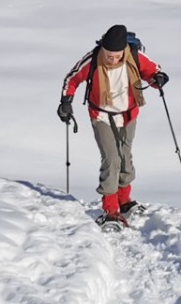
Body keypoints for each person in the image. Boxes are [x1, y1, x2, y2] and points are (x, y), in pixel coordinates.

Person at [58, 24, 168, 225]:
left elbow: (152, 71)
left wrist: (158, 79)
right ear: (103, 49)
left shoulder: (134, 56)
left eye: (117, 55)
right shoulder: (92, 59)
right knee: (111, 159)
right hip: (100, 115)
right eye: (109, 55)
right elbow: (72, 78)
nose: (113, 59)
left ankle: (124, 201)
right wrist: (66, 102)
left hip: (128, 114)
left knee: (125, 157)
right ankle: (110, 209)